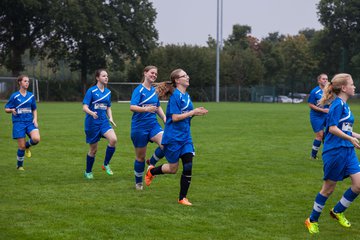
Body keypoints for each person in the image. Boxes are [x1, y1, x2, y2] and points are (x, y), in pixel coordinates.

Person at [305, 73, 360, 234]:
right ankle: (312, 220)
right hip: (335, 152)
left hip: (347, 151)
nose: (354, 86)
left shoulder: (345, 105)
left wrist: (356, 136)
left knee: (358, 185)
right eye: (352, 84)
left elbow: (345, 129)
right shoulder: (337, 105)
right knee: (328, 189)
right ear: (344, 88)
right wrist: (350, 139)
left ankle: (337, 211)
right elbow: (332, 129)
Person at [145, 68, 208, 206]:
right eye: (184, 75)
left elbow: (187, 115)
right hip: (173, 138)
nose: (188, 77)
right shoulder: (175, 97)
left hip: (185, 137)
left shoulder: (187, 96)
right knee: (173, 169)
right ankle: (152, 171)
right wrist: (193, 112)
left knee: (188, 166)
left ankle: (182, 198)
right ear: (177, 80)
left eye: (187, 74)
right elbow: (174, 117)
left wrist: (196, 113)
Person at [130, 65, 166, 190]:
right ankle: (138, 183)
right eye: (152, 73)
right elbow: (132, 107)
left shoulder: (154, 91)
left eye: (156, 74)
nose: (154, 75)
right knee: (140, 157)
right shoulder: (138, 90)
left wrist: (164, 118)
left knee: (166, 144)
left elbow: (157, 106)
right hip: (139, 128)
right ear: (145, 73)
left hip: (153, 125)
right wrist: (146, 109)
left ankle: (152, 163)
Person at [82, 69, 117, 179]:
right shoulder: (91, 91)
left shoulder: (108, 92)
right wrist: (91, 113)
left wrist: (110, 117)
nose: (106, 77)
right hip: (92, 123)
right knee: (93, 150)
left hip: (104, 122)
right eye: (103, 76)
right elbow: (84, 107)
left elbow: (108, 107)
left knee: (113, 139)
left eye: (107, 76)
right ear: (97, 78)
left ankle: (106, 164)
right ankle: (88, 171)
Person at [5, 75, 40, 170]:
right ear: (20, 82)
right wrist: (11, 110)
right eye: (25, 81)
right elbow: (6, 109)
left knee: (36, 139)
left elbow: (34, 109)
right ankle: (19, 166)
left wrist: (35, 119)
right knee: (21, 146)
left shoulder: (31, 96)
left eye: (28, 81)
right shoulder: (14, 96)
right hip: (18, 123)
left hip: (29, 122)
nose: (27, 83)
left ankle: (27, 146)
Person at [308, 73, 329, 160]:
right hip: (316, 116)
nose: (325, 80)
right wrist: (322, 110)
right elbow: (310, 105)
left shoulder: (329, 91)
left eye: (326, 79)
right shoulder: (314, 91)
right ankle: (313, 156)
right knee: (320, 135)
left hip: (327, 116)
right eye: (323, 79)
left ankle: (328, 154)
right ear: (319, 80)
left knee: (329, 134)